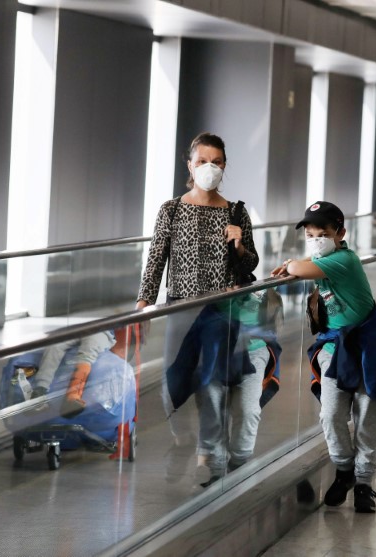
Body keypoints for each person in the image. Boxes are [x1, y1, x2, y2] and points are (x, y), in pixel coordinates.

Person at [270, 201, 376, 514]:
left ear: (340, 233)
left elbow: (299, 268)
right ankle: (344, 470)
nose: (314, 240)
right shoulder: (322, 259)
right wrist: (297, 264)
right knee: (331, 414)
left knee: (366, 419)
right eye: (309, 235)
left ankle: (364, 484)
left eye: (321, 233)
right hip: (337, 347)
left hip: (370, 349)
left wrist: (292, 264)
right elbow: (303, 267)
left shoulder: (344, 259)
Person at [136, 132, 260, 486]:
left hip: (221, 309)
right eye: (203, 160)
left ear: (224, 166)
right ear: (190, 165)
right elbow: (156, 260)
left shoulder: (236, 211)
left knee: (211, 383)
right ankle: (183, 438)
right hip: (180, 307)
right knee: (173, 383)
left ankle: (211, 455)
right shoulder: (171, 209)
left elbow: (250, 265)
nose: (210, 167)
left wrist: (238, 244)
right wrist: (143, 303)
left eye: (217, 161)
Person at [30, 331, 116, 418]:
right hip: (76, 326)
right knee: (55, 345)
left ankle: (73, 396)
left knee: (88, 351)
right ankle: (39, 392)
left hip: (101, 329)